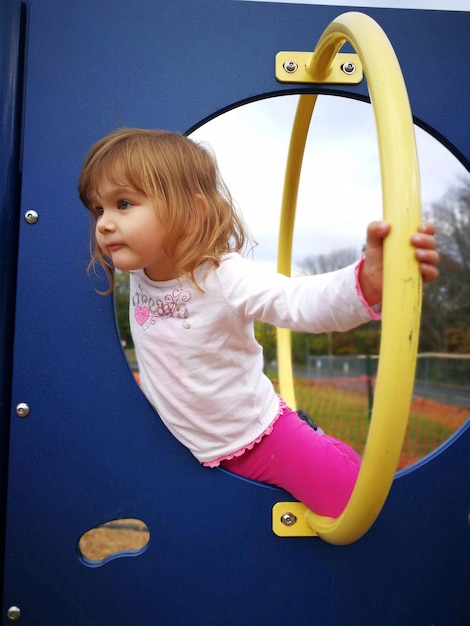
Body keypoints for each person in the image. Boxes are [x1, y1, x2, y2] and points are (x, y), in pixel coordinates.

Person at [78, 128, 439, 518]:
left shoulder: (223, 275)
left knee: (352, 505)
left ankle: (327, 447)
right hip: (182, 447)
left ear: (191, 211)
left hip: (259, 438)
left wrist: (365, 284)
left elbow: (298, 302)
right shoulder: (139, 272)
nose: (104, 224)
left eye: (124, 203)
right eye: (99, 209)